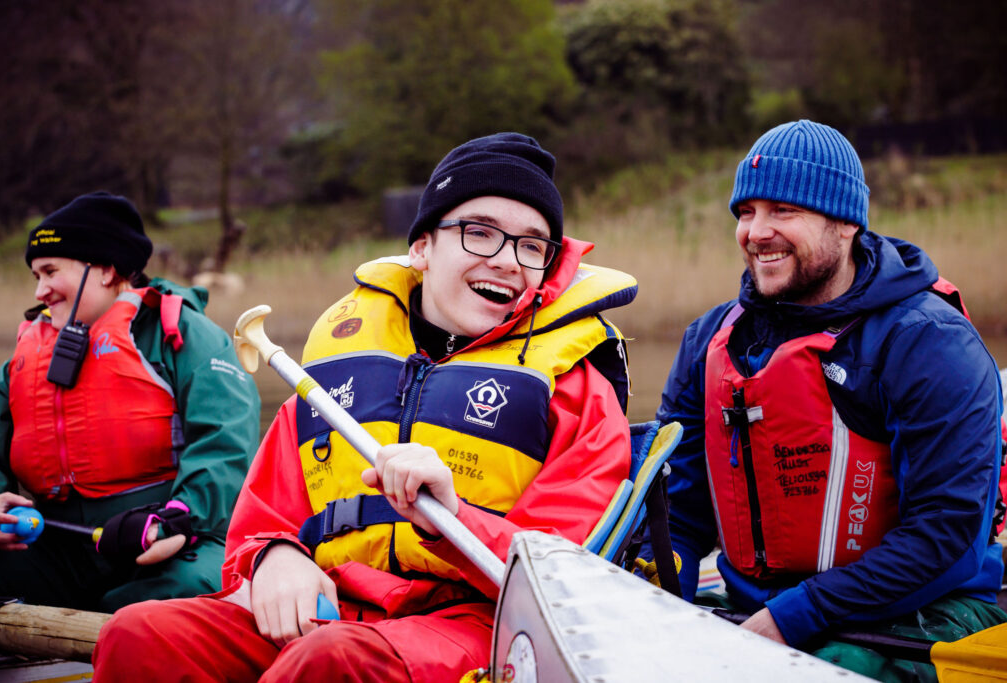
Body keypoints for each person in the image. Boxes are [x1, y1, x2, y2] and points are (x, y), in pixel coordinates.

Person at [92, 132, 635, 682]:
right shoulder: (334, 366)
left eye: (531, 245)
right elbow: (262, 520)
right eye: (480, 234)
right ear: (421, 247)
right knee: (135, 635)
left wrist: (452, 519)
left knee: (334, 659)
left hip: (480, 625)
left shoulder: (577, 390)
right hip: (335, 605)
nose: (506, 261)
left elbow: (561, 575)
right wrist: (275, 557)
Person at [652, 119, 1006, 681]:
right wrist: (658, 595)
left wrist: (793, 617)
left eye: (782, 211)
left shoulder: (927, 341)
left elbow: (946, 533)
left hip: (921, 609)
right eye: (745, 213)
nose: (756, 232)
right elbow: (678, 509)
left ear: (845, 224)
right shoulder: (709, 340)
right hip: (758, 610)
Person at [0, 191, 261, 612]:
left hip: (171, 541)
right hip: (60, 547)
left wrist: (179, 517)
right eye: (35, 276)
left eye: (50, 271)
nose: (40, 290)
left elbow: (226, 443)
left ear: (106, 270)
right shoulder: (26, 356)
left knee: (178, 590)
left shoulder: (186, 337)